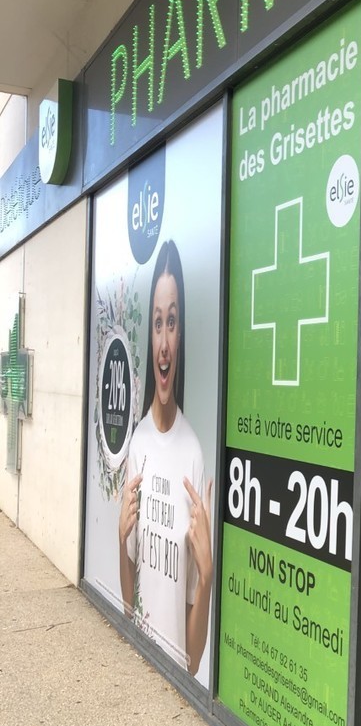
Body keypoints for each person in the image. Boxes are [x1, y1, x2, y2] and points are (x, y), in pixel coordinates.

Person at [118, 239, 213, 675]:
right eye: (157, 322)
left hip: (172, 685)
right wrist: (120, 539)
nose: (163, 342)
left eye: (171, 322)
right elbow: (127, 607)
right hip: (136, 667)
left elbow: (192, 663)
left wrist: (206, 577)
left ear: (181, 334)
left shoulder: (193, 455)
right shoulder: (137, 443)